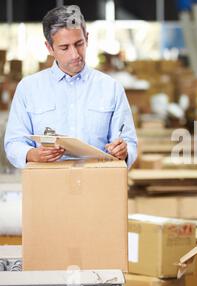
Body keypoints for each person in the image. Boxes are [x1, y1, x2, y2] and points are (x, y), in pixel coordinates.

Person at [4, 5, 137, 168]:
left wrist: (123, 151)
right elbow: (14, 142)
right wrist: (32, 154)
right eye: (64, 47)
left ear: (87, 38)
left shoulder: (111, 88)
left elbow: (129, 142)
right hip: (48, 185)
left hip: (98, 184)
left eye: (79, 44)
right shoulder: (28, 89)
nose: (75, 54)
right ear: (49, 48)